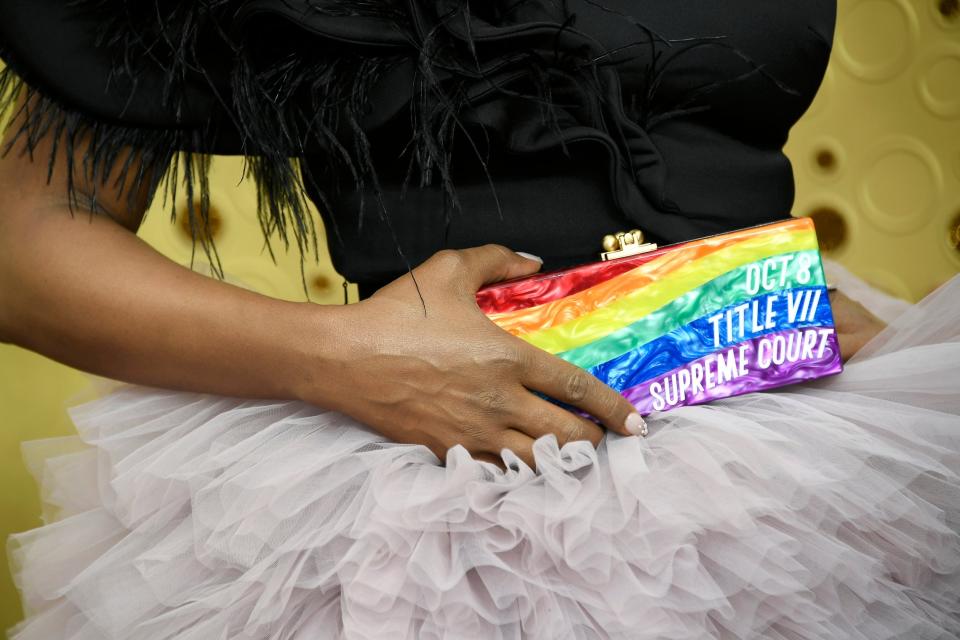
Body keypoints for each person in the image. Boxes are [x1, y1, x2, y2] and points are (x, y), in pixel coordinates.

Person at [1, 1, 958, 638]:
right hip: (433, 497)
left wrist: (784, 306)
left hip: (793, 462)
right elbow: (22, 242)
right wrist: (331, 357)